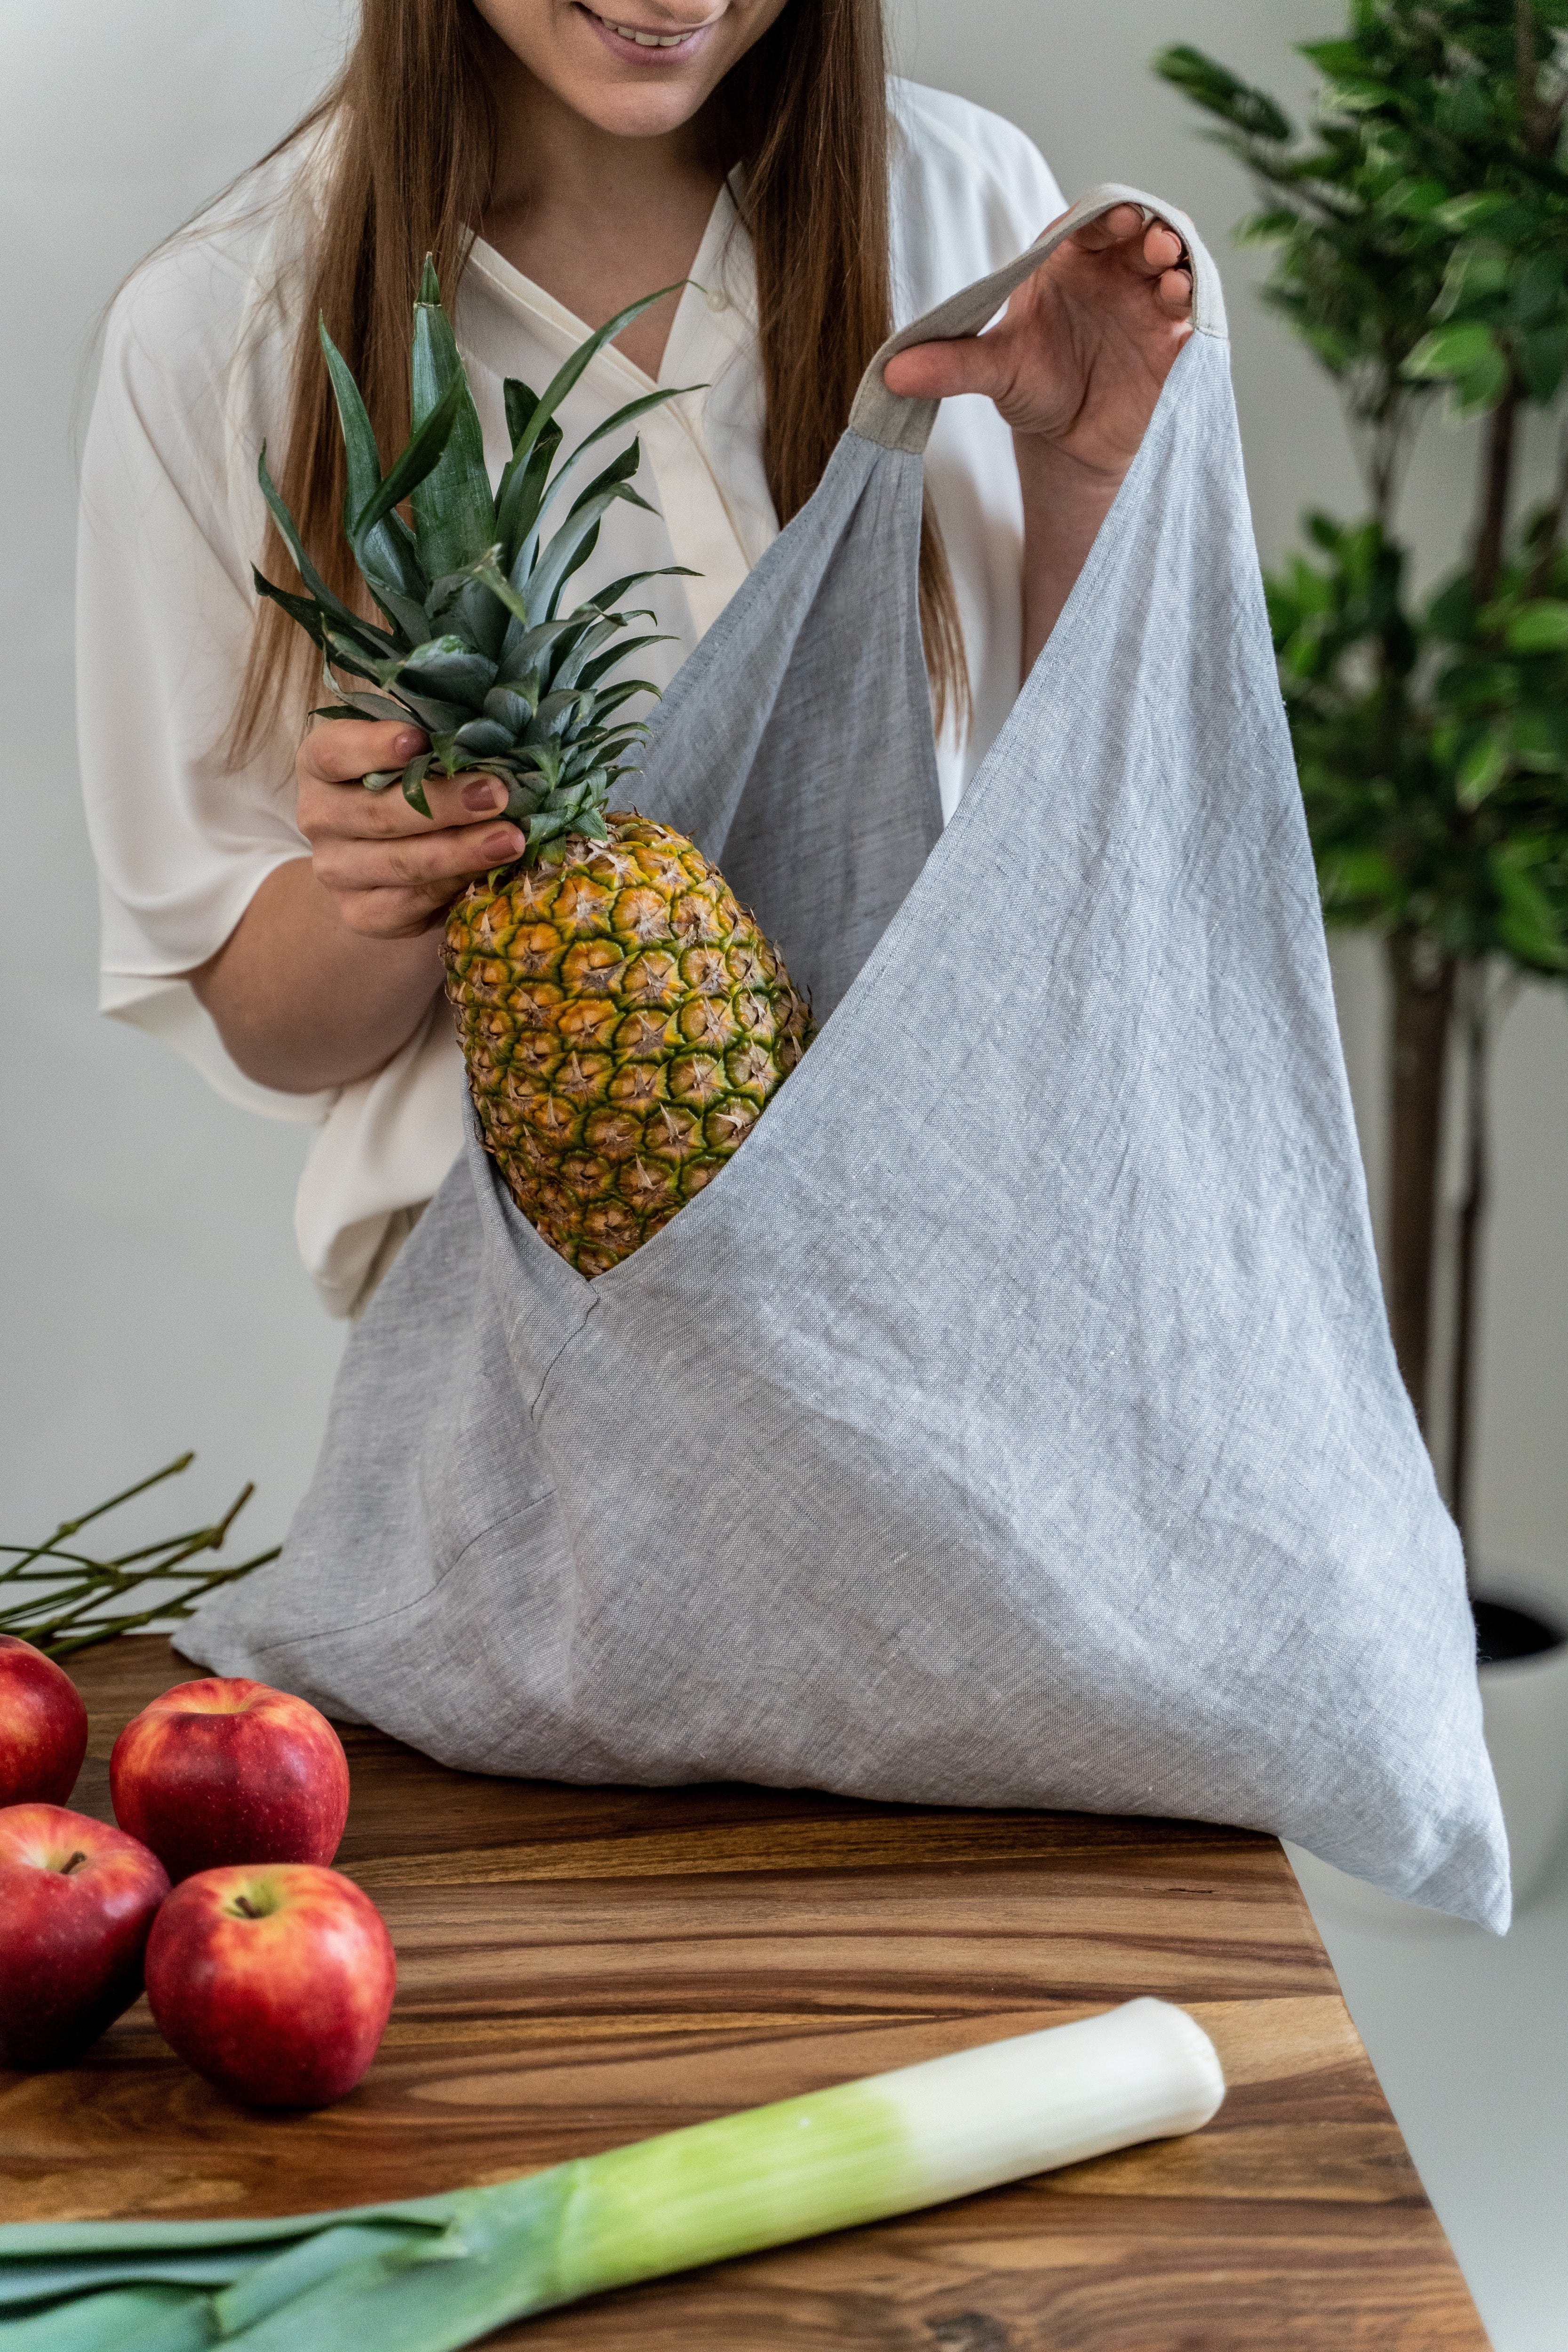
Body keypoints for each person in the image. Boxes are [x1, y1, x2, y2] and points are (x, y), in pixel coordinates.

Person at [78, 0, 1193, 1315]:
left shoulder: (970, 197)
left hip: (974, 1234)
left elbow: (1091, 836)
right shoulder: (222, 328)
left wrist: (1089, 473)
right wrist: (382, 884)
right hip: (539, 1316)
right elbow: (271, 1033)